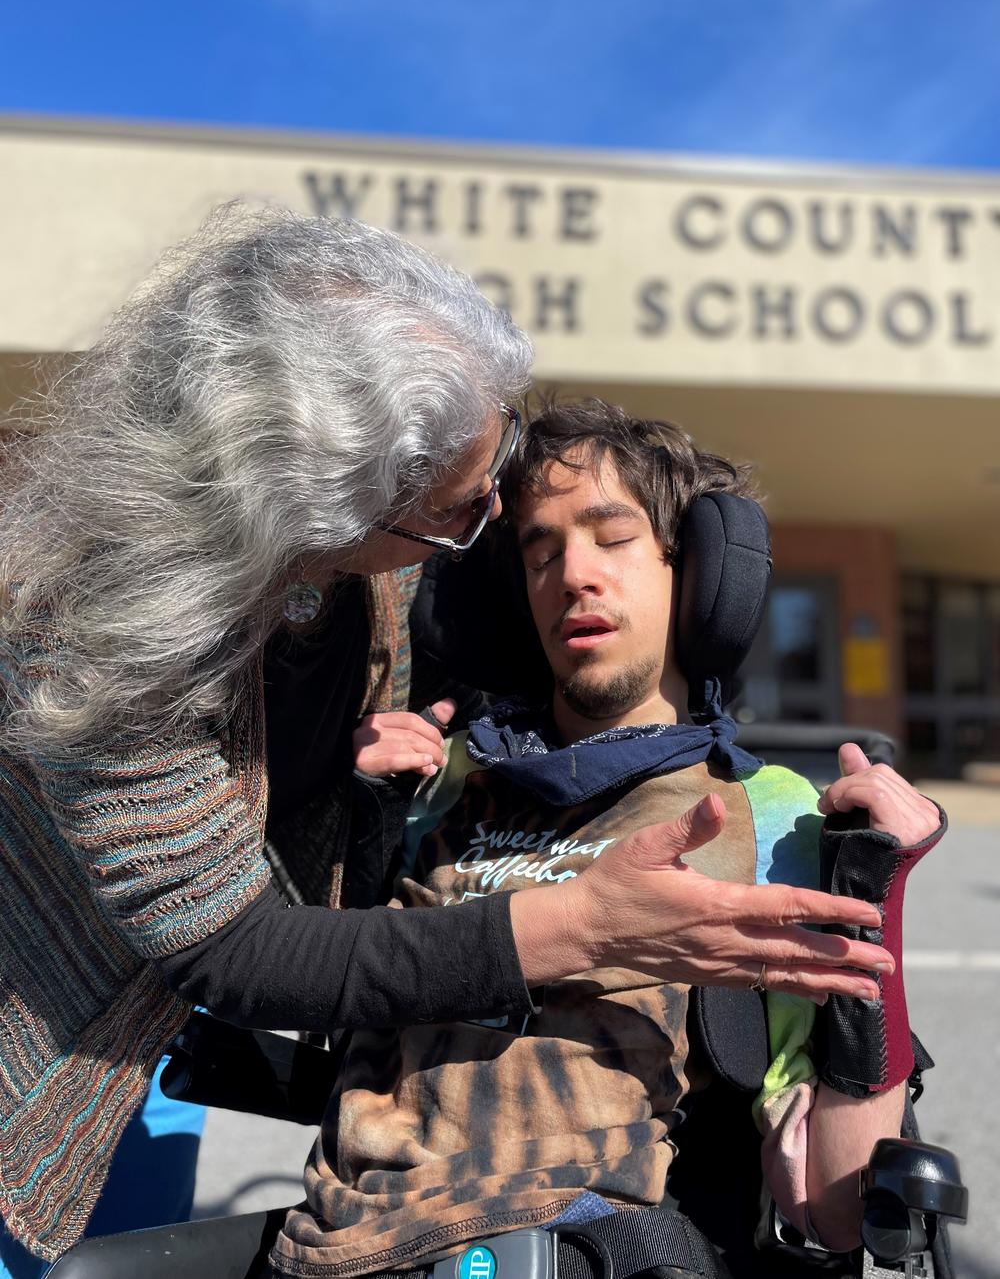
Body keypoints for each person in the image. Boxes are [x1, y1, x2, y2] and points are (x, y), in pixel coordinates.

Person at [270, 399, 943, 1277]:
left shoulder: (766, 816)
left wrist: (874, 897)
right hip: (340, 1242)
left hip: (586, 1244)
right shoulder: (443, 793)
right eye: (540, 551)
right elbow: (291, 971)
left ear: (691, 574)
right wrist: (352, 807)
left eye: (611, 537)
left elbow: (839, 1205)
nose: (571, 575)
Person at [0, 203, 532, 1271]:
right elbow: (228, 945)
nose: (490, 510)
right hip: (49, 1049)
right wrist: (580, 927)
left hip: (153, 1040)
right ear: (323, 503)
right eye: (463, 506)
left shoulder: (358, 573)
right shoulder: (87, 614)